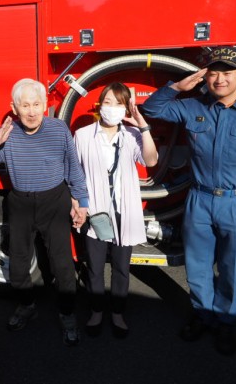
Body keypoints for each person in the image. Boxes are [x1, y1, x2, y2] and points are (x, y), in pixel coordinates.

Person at [142, 46, 236, 355]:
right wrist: (177, 87)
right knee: (197, 267)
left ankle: (225, 323)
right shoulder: (192, 106)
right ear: (205, 76)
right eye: (214, 73)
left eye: (228, 72)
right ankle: (202, 315)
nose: (220, 79)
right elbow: (153, 109)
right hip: (199, 200)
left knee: (231, 268)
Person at [0, 78, 89, 346]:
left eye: (36, 104)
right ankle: (26, 305)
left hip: (54, 200)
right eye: (25, 105)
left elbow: (73, 167)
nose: (32, 111)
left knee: (61, 263)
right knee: (19, 262)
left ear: (45, 105)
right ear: (14, 108)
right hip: (21, 203)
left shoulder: (59, 130)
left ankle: (67, 313)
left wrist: (81, 201)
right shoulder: (6, 133)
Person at [73, 82, 158, 339]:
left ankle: (118, 313)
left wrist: (142, 126)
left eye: (119, 103)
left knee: (121, 266)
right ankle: (96, 311)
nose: (112, 108)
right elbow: (75, 174)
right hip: (96, 211)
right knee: (95, 266)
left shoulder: (131, 135)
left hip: (124, 210)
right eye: (107, 102)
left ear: (126, 108)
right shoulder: (83, 135)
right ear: (100, 105)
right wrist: (77, 205)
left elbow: (151, 160)